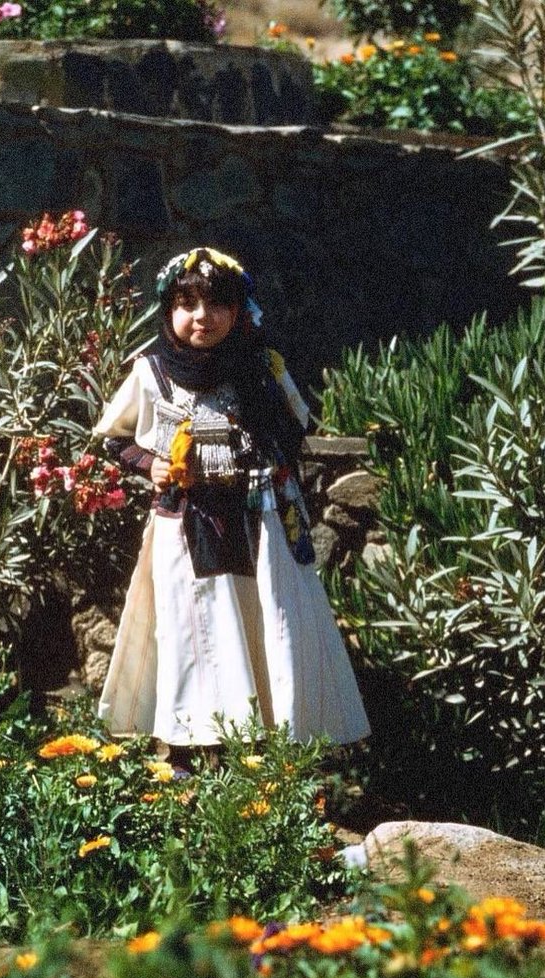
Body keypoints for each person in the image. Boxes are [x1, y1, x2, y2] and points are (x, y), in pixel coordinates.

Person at [93, 246, 369, 760]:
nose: (202, 316)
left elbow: (297, 424)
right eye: (187, 302)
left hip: (262, 519)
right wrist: (150, 463)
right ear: (168, 309)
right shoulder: (151, 372)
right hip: (186, 524)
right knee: (194, 629)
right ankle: (189, 751)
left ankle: (274, 746)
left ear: (239, 309)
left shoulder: (261, 366)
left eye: (218, 303)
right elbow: (114, 437)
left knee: (269, 619)